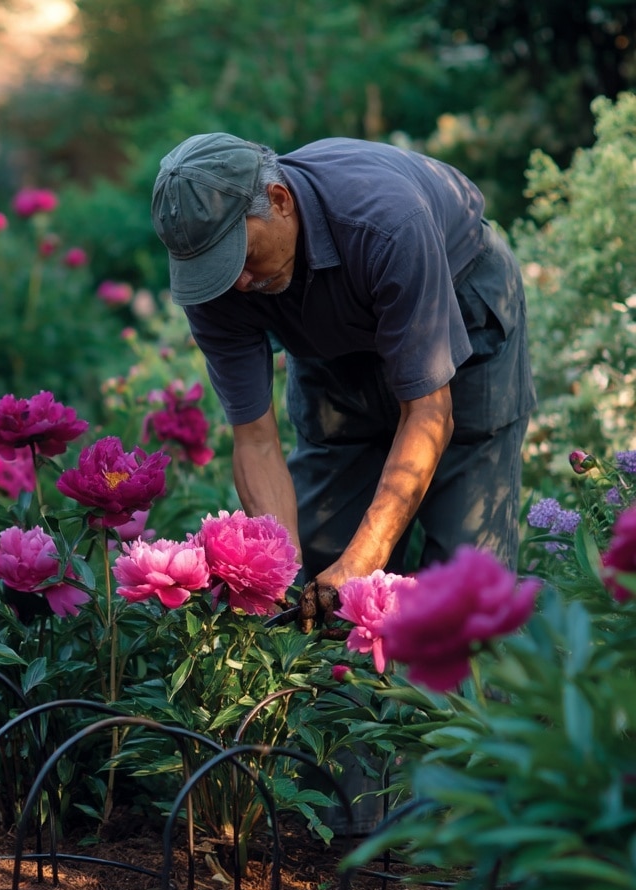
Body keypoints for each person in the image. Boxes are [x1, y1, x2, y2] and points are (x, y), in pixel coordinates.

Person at [151, 132, 535, 629]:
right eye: (213, 269)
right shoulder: (217, 286)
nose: (237, 282)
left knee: (464, 583)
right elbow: (256, 440)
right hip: (330, 341)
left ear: (279, 201)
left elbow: (429, 413)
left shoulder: (387, 223)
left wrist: (362, 560)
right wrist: (279, 575)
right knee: (320, 576)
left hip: (455, 308)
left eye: (240, 256)